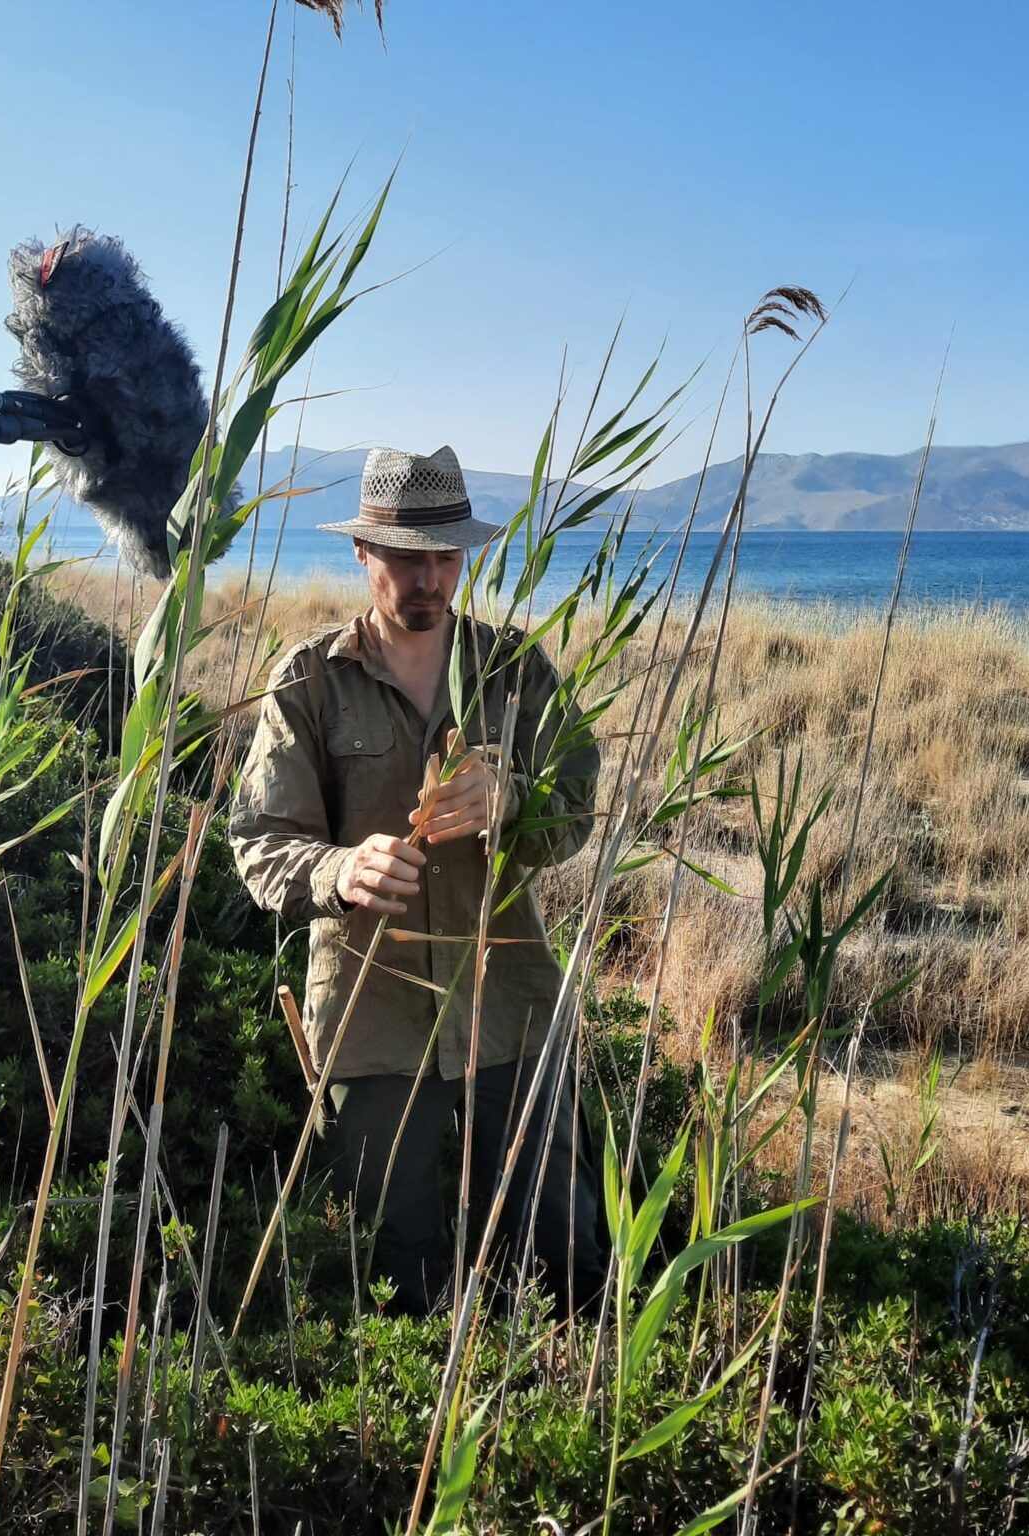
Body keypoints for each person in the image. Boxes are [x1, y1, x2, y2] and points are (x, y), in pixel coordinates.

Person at [227, 444, 605, 1315]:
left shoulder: (517, 671)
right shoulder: (310, 682)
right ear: (363, 554)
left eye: (446, 557)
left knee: (561, 1241)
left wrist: (511, 800)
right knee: (396, 1264)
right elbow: (258, 841)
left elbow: (578, 803)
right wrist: (341, 869)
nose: (429, 579)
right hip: (371, 1016)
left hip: (508, 1001)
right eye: (406, 557)